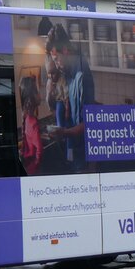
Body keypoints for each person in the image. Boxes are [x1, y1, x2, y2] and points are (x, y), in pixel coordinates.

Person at [46, 24, 95, 172]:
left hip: (84, 155)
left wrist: (64, 133)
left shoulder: (81, 76)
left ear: (65, 51)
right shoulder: (67, 71)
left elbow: (89, 123)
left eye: (56, 58)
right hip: (75, 150)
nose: (56, 63)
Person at [18, 75, 44, 175]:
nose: (39, 95)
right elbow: (39, 151)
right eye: (37, 91)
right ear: (31, 97)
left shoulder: (25, 117)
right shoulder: (33, 122)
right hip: (34, 169)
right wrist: (37, 165)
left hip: (29, 167)